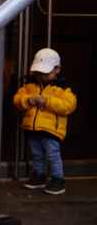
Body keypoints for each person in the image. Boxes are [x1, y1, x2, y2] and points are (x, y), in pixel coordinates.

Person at [13, 48, 77, 195]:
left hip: (51, 130)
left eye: (45, 73)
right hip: (33, 128)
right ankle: (39, 176)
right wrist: (29, 100)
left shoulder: (62, 88)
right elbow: (17, 100)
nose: (42, 76)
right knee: (36, 154)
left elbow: (69, 105)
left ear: (57, 69)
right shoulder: (29, 85)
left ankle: (57, 179)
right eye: (39, 73)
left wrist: (46, 101)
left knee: (52, 155)